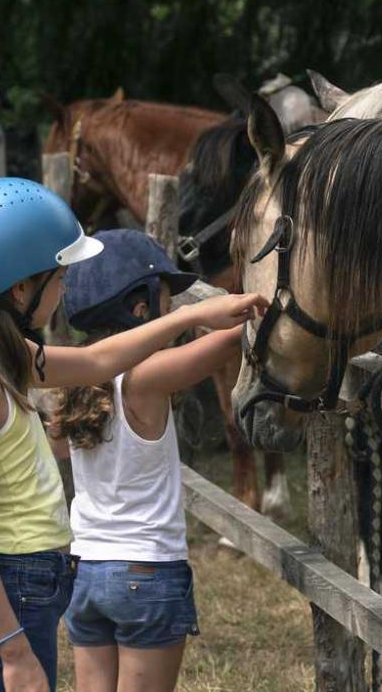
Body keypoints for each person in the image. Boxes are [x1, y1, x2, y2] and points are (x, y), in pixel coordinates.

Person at [0, 177, 265, 692]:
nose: (64, 290)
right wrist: (13, 652)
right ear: (20, 289)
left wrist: (195, 314)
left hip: (31, 583)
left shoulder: (5, 356)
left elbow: (98, 360)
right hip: (10, 587)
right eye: (58, 277)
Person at [49, 229, 248, 692]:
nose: (171, 307)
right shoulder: (145, 377)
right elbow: (232, 341)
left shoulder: (77, 379)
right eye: (165, 298)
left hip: (88, 570)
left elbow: (58, 446)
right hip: (146, 570)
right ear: (139, 309)